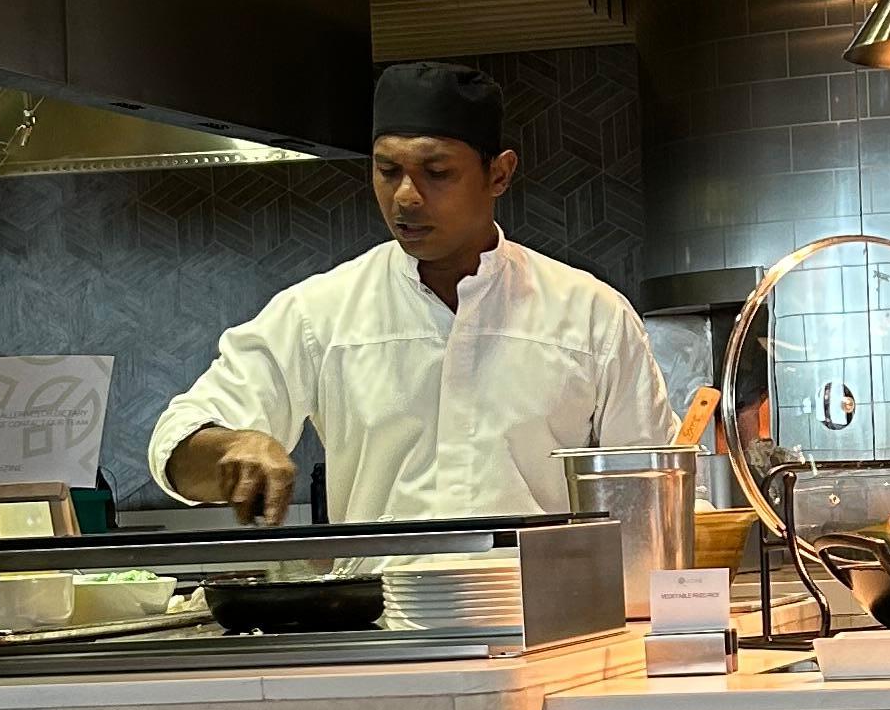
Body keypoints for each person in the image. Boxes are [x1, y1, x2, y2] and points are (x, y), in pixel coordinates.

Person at [151, 60, 679, 524]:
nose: (406, 196)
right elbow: (176, 443)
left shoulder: (591, 315)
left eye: (437, 172)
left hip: (550, 624)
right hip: (385, 627)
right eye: (387, 170)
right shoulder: (321, 312)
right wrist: (235, 447)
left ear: (498, 173)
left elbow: (658, 489)